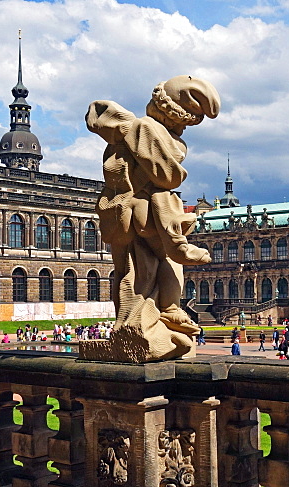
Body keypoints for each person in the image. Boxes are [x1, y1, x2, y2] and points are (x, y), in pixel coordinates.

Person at [86, 76, 220, 361]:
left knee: (137, 275)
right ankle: (170, 291)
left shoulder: (127, 132)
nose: (182, 129)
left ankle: (149, 321)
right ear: (168, 113)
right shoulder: (145, 129)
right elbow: (166, 176)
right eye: (182, 122)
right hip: (142, 213)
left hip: (128, 215)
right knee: (168, 257)